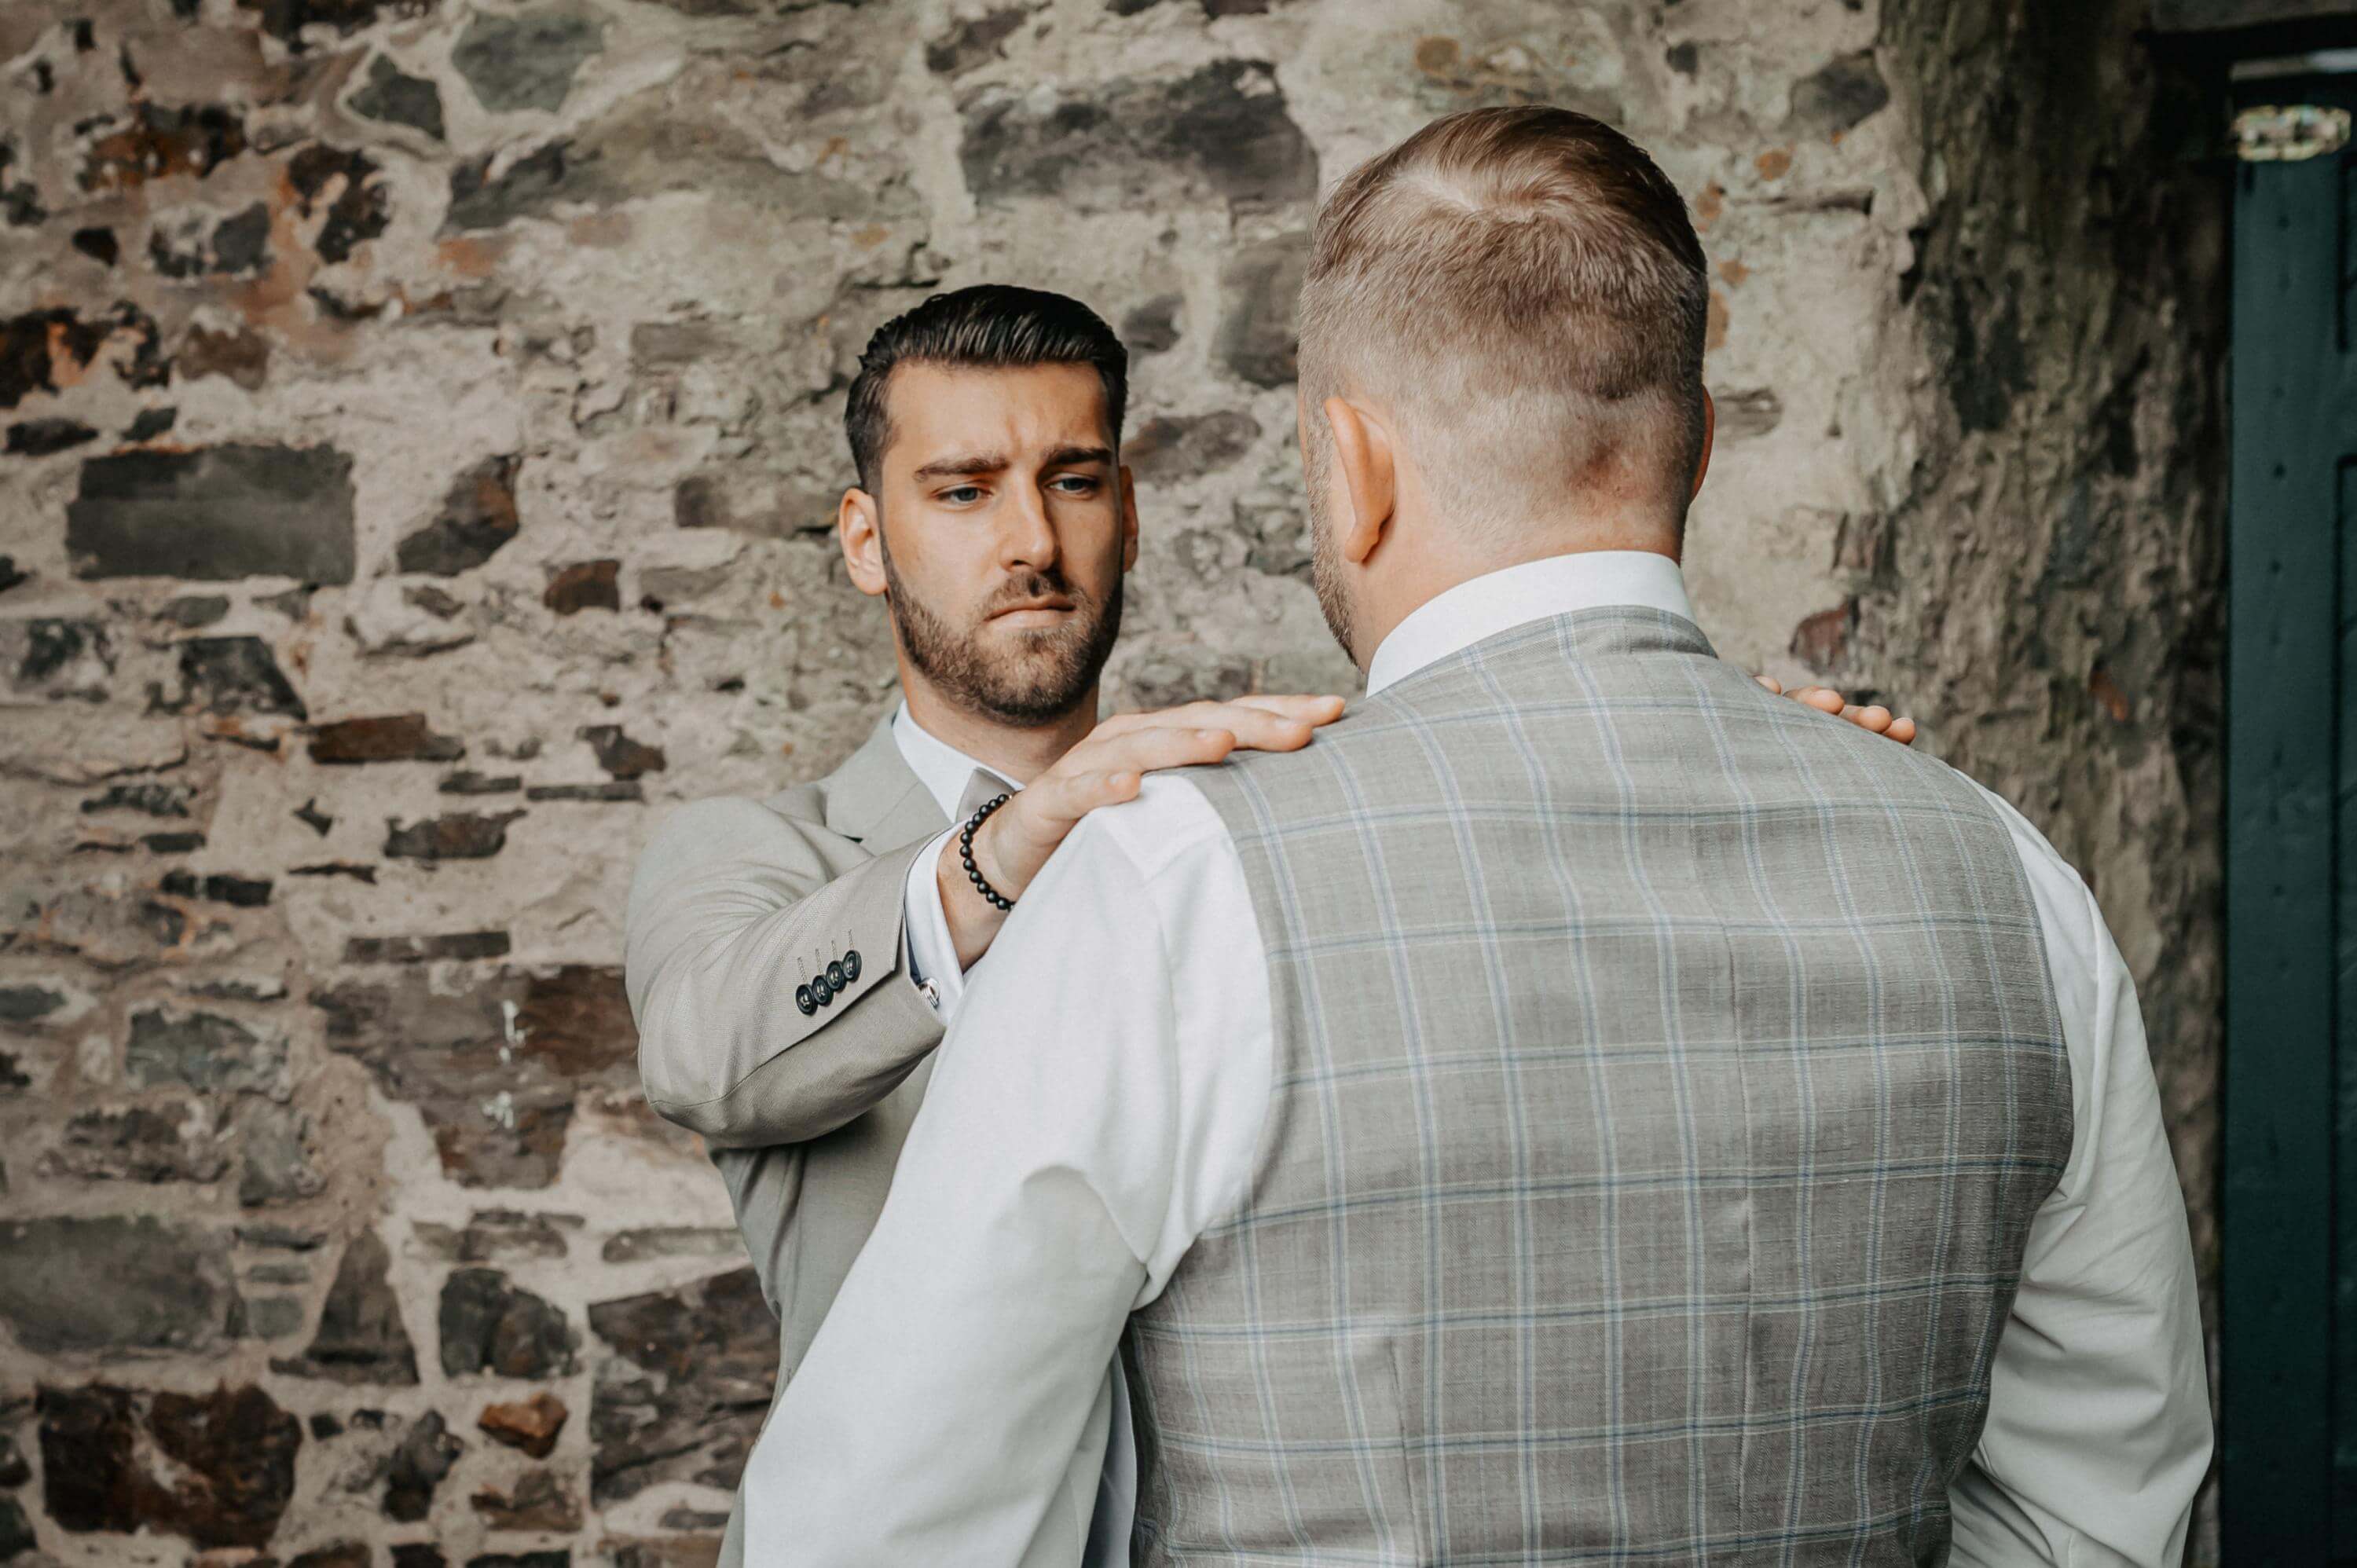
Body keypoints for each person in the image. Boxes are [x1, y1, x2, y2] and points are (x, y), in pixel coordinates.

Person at [741, 108, 2209, 1566]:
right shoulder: (2012, 879)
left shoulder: (1171, 887)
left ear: (1352, 466)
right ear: (1694, 451)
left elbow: (877, 1534)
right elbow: (2107, 1517)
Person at [625, 285, 1911, 1563]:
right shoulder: (759, 856)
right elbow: (707, 1053)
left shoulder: (1238, 831)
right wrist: (1009, 848)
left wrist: (1749, 767)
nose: (1030, 539)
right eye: (963, 491)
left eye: (1073, 481)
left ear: (1127, 515)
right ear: (865, 539)